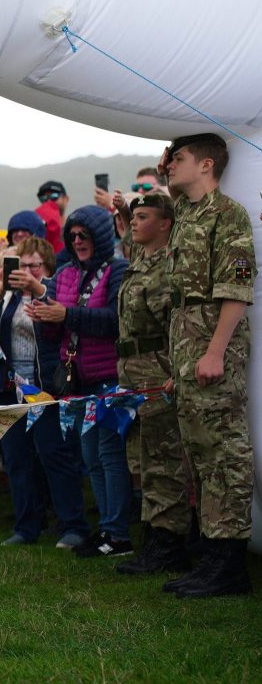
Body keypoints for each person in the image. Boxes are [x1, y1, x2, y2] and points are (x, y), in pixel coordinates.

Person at [158, 134, 254, 598]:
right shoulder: (186, 213)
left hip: (214, 338)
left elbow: (237, 286)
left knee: (224, 450)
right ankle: (214, 555)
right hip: (185, 338)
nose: (170, 165)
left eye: (179, 158)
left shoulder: (228, 213)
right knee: (200, 450)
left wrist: (215, 351)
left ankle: (231, 560)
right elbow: (169, 186)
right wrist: (182, 359)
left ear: (207, 164)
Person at [0, 237, 91, 548]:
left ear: (47, 266)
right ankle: (26, 528)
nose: (26, 271)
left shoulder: (54, 290)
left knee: (55, 456)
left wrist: (38, 289)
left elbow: (63, 326)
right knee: (16, 459)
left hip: (44, 388)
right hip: (8, 388)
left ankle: (73, 526)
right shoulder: (7, 296)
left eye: (33, 265)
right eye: (21, 266)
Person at [30, 206, 131, 557]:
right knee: (91, 457)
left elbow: (117, 320)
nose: (77, 241)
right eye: (72, 236)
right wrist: (45, 317)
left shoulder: (118, 269)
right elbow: (54, 333)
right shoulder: (65, 273)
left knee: (109, 453)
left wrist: (66, 314)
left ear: (100, 236)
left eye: (83, 235)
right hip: (78, 382)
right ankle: (107, 530)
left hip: (110, 378)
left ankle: (118, 533)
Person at [108, 191, 192, 576]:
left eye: (144, 217)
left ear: (165, 224)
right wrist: (123, 213)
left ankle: (169, 545)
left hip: (157, 371)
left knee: (163, 460)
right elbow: (127, 236)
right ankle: (154, 539)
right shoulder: (141, 261)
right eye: (134, 217)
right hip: (133, 372)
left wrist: (176, 371)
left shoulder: (167, 268)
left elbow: (177, 326)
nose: (136, 222)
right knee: (141, 458)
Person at [35, 181, 69, 254]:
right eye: (43, 198)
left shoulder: (76, 229)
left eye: (54, 196)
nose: (49, 201)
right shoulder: (39, 232)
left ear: (66, 199)